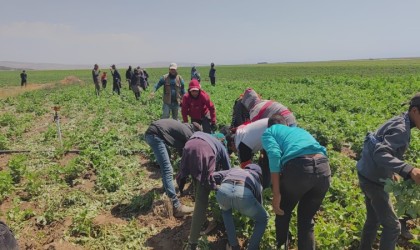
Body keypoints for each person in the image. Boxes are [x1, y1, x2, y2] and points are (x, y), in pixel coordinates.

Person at [356, 93, 420, 250]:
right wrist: (409, 170)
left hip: (366, 173)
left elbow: (381, 146)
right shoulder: (401, 129)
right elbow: (380, 153)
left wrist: (393, 171)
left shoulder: (400, 120)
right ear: (415, 111)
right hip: (374, 181)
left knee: (373, 219)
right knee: (393, 227)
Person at [261, 114, 331, 249]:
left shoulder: (269, 132)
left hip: (299, 168)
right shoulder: (300, 131)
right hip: (323, 168)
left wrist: (276, 193)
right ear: (286, 124)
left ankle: (282, 245)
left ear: (269, 126)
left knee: (282, 211)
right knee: (306, 220)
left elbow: (274, 155)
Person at [176, 131, 231, 250]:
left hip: (188, 147)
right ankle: (192, 243)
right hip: (203, 153)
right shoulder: (221, 146)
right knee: (202, 200)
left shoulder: (205, 136)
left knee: (198, 185)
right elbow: (229, 172)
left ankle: (202, 219)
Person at [144, 119, 203, 217]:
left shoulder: (183, 128)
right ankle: (176, 206)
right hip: (155, 136)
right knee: (167, 169)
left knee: (167, 161)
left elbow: (183, 153)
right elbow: (189, 155)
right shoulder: (189, 134)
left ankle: (166, 188)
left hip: (153, 133)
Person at [212, 164, 268, 250]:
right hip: (243, 195)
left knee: (226, 213)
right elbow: (259, 204)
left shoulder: (235, 169)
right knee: (263, 219)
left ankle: (233, 246)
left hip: (223, 191)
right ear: (259, 174)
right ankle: (252, 248)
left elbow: (213, 175)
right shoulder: (256, 178)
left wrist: (215, 187)